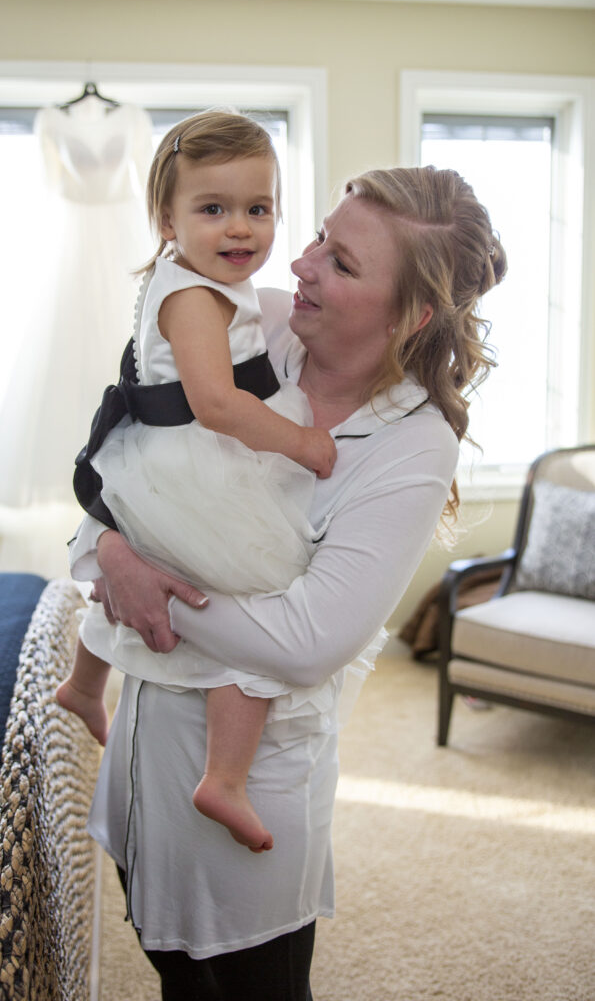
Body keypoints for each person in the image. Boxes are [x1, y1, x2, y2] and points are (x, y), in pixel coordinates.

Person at [70, 164, 507, 1001]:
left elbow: (306, 643)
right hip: (139, 753)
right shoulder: (246, 328)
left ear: (410, 314)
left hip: (252, 785)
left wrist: (145, 583)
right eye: (316, 238)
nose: (298, 265)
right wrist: (112, 555)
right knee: (170, 971)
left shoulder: (413, 448)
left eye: (340, 263)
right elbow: (120, 458)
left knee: (250, 985)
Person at [58, 110, 341, 854]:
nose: (240, 228)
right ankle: (224, 776)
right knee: (257, 595)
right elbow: (217, 405)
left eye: (258, 208)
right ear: (166, 217)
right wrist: (301, 442)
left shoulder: (189, 277)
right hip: (196, 463)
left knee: (145, 570)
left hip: (163, 460)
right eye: (212, 210)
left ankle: (84, 685)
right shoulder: (192, 296)